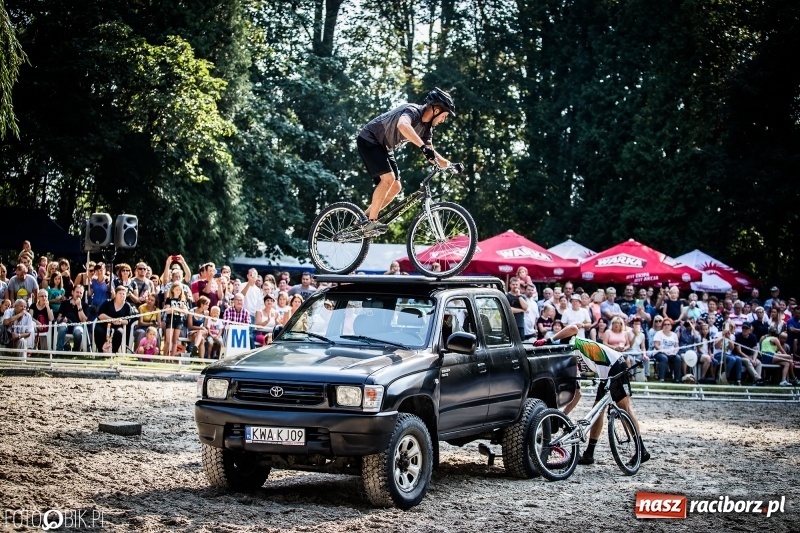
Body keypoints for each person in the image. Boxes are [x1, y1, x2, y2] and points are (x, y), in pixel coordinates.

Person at [542, 324, 650, 466]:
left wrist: (549, 339)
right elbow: (577, 394)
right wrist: (563, 415)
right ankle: (589, 454)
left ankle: (642, 450)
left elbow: (574, 328)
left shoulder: (569, 343)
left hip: (615, 365)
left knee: (625, 409)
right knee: (597, 411)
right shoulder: (568, 364)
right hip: (605, 373)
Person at [356, 87, 457, 233]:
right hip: (369, 139)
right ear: (436, 110)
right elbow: (403, 125)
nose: (443, 120)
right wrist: (423, 147)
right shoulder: (413, 111)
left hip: (385, 147)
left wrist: (450, 165)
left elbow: (431, 153)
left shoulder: (426, 129)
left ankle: (363, 218)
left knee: (396, 187)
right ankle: (371, 222)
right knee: (388, 179)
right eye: (444, 116)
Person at [94, 286, 135, 354]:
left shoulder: (127, 306)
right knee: (99, 331)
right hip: (104, 324)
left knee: (119, 332)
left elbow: (127, 321)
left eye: (123, 294)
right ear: (115, 294)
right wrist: (111, 320)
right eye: (120, 293)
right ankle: (101, 351)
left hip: (117, 325)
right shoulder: (108, 302)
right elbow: (100, 315)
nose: (122, 295)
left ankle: (113, 352)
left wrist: (120, 321)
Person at [55, 285, 88, 352]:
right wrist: (62, 319)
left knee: (78, 332)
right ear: (72, 292)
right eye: (77, 292)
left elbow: (84, 320)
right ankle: (59, 351)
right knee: (62, 328)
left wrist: (79, 306)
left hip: (78, 325)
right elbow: (58, 318)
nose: (79, 294)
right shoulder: (65, 303)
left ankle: (75, 351)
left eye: (81, 293)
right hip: (66, 323)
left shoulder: (85, 305)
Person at [163, 283, 189, 358]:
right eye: (177, 289)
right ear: (173, 290)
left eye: (180, 290)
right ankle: (164, 357)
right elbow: (167, 311)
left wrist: (175, 309)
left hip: (179, 321)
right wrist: (178, 309)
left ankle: (172, 357)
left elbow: (185, 312)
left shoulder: (182, 300)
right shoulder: (169, 299)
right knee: (168, 340)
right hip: (170, 320)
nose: (178, 291)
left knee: (175, 341)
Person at [653, 318, 682, 382]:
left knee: (678, 358)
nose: (666, 326)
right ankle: (661, 378)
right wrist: (664, 351)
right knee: (664, 358)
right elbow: (656, 345)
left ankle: (677, 379)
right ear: (662, 326)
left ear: (671, 326)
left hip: (671, 353)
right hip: (659, 352)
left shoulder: (674, 335)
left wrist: (675, 353)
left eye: (668, 324)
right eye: (665, 324)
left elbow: (677, 346)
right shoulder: (659, 333)